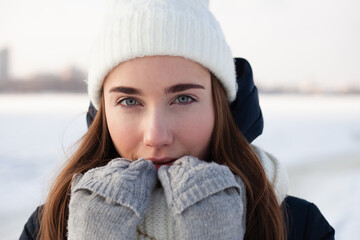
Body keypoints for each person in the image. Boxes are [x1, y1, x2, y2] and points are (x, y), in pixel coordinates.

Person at [20, 0, 335, 239]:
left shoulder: (298, 225)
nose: (156, 135)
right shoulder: (49, 226)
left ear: (220, 107)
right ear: (103, 112)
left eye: (183, 98)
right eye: (129, 101)